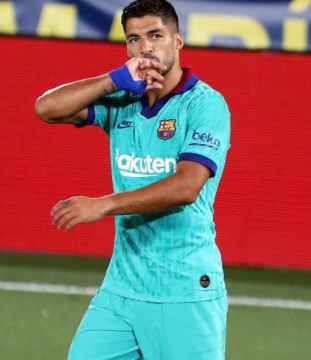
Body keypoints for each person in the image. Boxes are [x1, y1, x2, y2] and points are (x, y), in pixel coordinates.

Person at [35, 1, 231, 358]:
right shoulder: (124, 100)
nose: (145, 48)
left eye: (155, 36)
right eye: (134, 39)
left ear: (177, 41)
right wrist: (113, 80)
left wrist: (104, 204)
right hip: (122, 288)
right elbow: (46, 108)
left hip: (184, 289)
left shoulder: (205, 105)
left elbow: (187, 187)